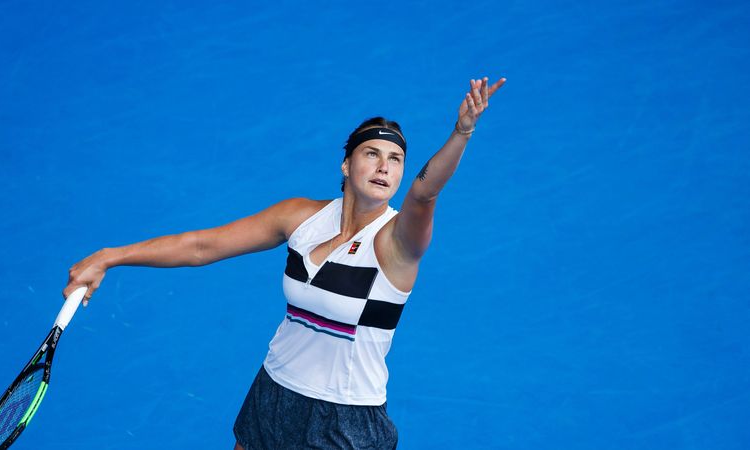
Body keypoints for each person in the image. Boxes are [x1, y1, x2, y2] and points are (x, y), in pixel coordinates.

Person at [63, 76, 506, 449]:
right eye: (372, 153)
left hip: (345, 415)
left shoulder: (397, 241)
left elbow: (425, 192)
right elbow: (202, 246)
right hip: (274, 391)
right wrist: (110, 256)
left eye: (395, 159)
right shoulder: (301, 217)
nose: (384, 166)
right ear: (346, 163)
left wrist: (461, 132)